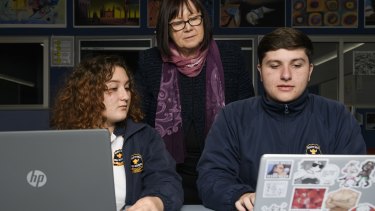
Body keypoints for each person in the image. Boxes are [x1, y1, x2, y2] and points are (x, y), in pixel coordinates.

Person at [196, 27, 367, 211]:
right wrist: (240, 195)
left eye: (296, 65)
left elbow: (356, 179)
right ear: (260, 71)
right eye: (275, 65)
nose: (286, 75)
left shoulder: (337, 116)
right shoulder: (233, 117)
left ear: (309, 70)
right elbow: (211, 178)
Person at [135, 0, 254, 204]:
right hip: (164, 176)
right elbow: (139, 121)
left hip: (224, 173)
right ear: (166, 29)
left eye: (193, 18)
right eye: (178, 22)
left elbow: (248, 118)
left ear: (204, 21)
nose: (188, 27)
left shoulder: (231, 56)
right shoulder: (149, 61)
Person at [50, 55, 183, 211]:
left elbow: (167, 181)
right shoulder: (62, 140)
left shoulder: (145, 137)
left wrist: (156, 201)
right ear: (88, 94)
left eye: (127, 88)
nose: (125, 96)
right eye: (113, 88)